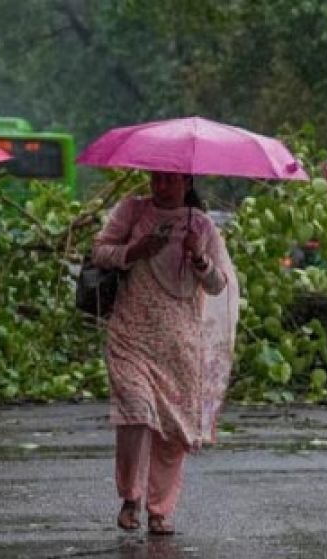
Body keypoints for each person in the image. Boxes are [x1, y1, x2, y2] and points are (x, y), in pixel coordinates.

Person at [90, 172, 239, 535]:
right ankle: (130, 497)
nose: (161, 187)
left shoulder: (201, 226)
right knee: (135, 414)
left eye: (170, 181)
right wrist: (135, 251)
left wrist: (199, 257)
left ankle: (160, 510)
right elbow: (100, 252)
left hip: (180, 345)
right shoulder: (132, 212)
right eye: (156, 179)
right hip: (131, 335)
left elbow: (219, 285)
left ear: (186, 182)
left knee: (173, 432)